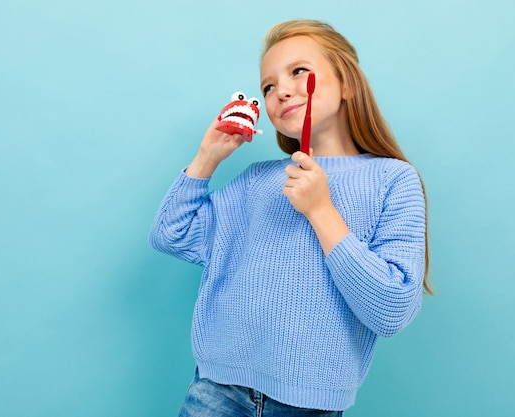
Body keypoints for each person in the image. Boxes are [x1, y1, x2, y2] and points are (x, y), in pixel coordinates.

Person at [149, 19, 433, 416]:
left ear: (348, 83)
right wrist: (207, 157)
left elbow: (391, 309)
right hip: (216, 391)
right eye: (268, 86)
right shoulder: (257, 181)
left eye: (298, 71)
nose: (280, 90)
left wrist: (320, 209)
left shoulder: (393, 179)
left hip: (309, 406)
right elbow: (170, 234)